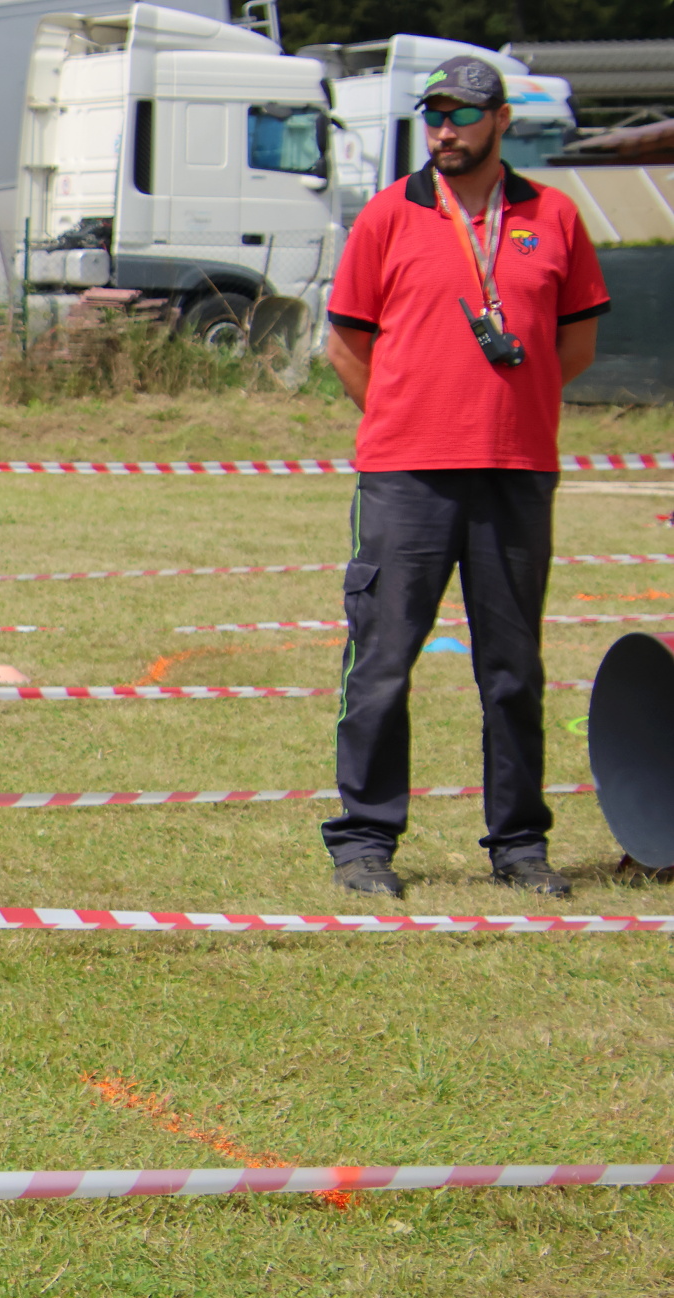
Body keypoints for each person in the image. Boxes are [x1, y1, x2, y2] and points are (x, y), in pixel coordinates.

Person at [321, 54, 608, 899]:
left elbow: (575, 345)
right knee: (382, 662)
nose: (446, 130)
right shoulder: (389, 213)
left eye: (464, 114)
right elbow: (345, 344)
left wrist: (510, 406)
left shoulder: (553, 215)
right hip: (406, 476)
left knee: (513, 670)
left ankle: (519, 845)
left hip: (517, 472)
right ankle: (364, 841)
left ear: (501, 120)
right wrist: (409, 416)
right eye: (435, 115)